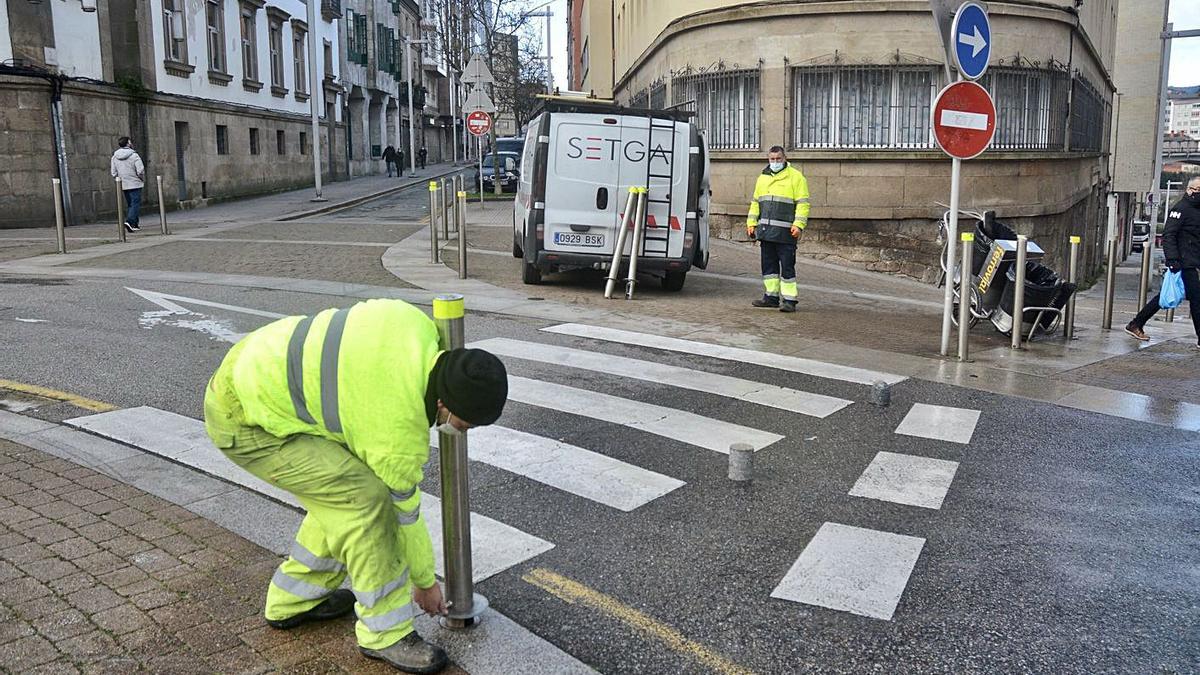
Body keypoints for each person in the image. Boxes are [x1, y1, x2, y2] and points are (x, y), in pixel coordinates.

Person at [203, 298, 509, 673]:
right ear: (443, 403)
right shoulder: (396, 427)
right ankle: (386, 633)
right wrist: (425, 582)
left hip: (251, 369)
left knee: (340, 492)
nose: (464, 431)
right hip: (245, 420)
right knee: (366, 503)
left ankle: (293, 600)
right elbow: (405, 515)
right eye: (465, 423)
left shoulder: (415, 326)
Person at [1125, 176, 1200, 348]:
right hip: (1184, 263)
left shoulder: (1196, 209)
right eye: (1198, 190)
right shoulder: (1181, 209)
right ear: (1190, 190)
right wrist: (1172, 260)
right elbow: (1169, 235)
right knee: (1195, 300)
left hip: (1193, 262)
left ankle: (1136, 323)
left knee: (1167, 295)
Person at [746, 146, 810, 313]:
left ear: (785, 158)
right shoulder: (762, 178)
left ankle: (789, 300)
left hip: (786, 232)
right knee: (768, 267)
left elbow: (803, 204)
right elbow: (755, 202)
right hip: (766, 232)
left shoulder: (796, 177)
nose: (775, 162)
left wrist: (798, 225)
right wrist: (751, 223)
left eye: (778, 159)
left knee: (787, 267)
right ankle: (771, 297)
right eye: (772, 159)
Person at [110, 137, 145, 233]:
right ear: (128, 143)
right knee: (135, 203)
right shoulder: (134, 156)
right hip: (135, 183)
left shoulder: (114, 157)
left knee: (131, 204)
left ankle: (134, 224)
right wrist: (141, 178)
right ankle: (129, 221)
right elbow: (140, 170)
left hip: (123, 184)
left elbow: (113, 172)